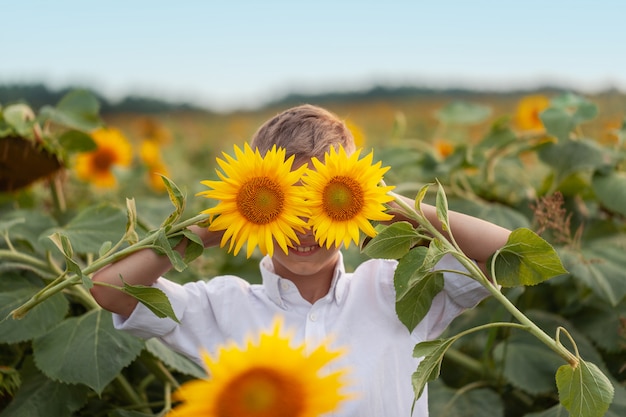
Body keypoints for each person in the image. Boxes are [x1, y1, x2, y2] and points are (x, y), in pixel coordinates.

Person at [90, 104, 511, 416]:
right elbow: (110, 289)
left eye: (319, 207)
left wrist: (390, 204)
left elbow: (505, 252)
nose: (304, 228)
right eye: (284, 207)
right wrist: (213, 224)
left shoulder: (396, 289)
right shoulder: (224, 308)